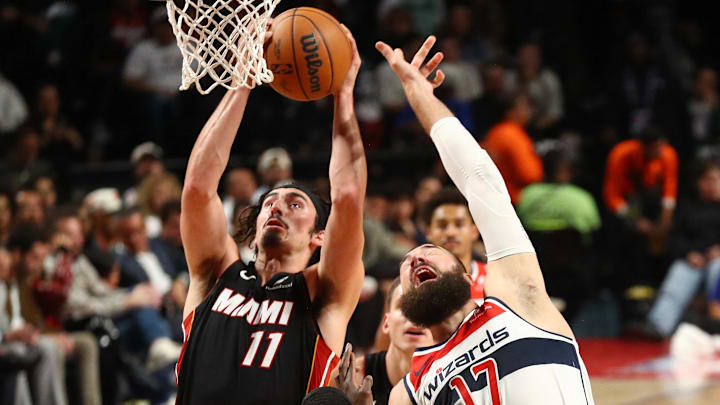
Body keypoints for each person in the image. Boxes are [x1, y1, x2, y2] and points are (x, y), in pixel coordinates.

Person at [367, 36, 594, 404]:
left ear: (469, 275)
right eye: (405, 266)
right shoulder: (408, 392)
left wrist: (418, 93)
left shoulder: (517, 298)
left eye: (427, 250)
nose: (413, 259)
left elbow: (478, 175)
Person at [175, 24, 367, 404]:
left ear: (319, 236)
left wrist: (343, 96)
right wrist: (243, 81)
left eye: (295, 204)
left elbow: (347, 196)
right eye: (269, 203)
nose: (276, 205)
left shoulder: (321, 292)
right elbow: (198, 189)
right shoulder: (216, 272)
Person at [352, 279, 432, 405]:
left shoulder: (454, 380)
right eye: (405, 305)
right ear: (386, 322)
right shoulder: (353, 376)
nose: (415, 316)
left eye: (426, 307)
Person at [422, 188, 485, 302]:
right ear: (429, 232)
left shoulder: (493, 279)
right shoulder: (417, 284)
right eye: (442, 225)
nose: (450, 232)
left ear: (474, 231)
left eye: (459, 224)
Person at [482, 92, 543, 204]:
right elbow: (530, 175)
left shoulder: (493, 133)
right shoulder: (514, 135)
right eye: (525, 107)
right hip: (513, 199)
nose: (529, 111)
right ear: (510, 112)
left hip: (490, 196)